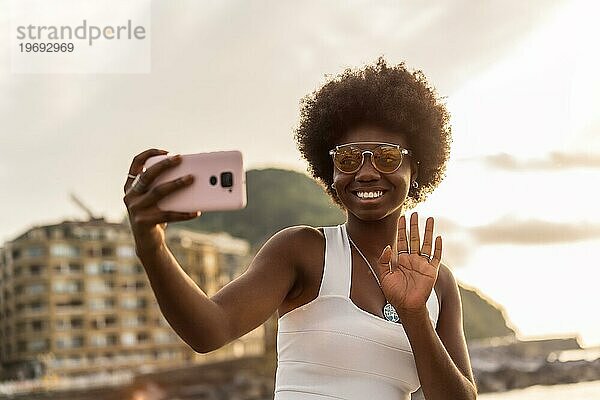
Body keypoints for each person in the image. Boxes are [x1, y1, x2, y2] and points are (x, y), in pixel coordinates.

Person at [123, 58, 477, 400]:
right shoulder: (302, 250)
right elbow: (208, 330)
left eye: (386, 157)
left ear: (415, 168)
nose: (366, 173)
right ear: (331, 170)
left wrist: (415, 316)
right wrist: (152, 246)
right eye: (349, 159)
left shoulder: (438, 283)